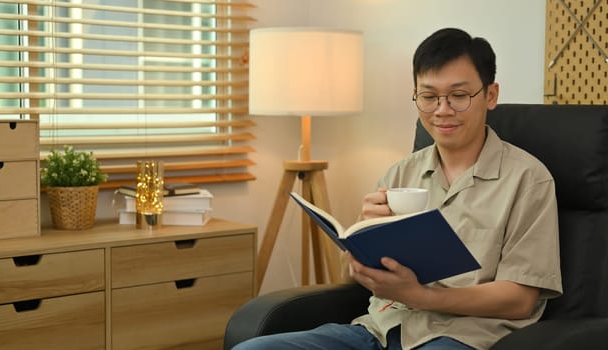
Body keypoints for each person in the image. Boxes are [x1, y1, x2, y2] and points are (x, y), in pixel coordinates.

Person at [233, 27, 562, 350]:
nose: (442, 110)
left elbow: (520, 300)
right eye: (429, 96)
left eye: (459, 96)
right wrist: (362, 241)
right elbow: (354, 279)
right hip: (379, 329)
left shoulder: (528, 180)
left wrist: (420, 296)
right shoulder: (401, 173)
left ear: (490, 95)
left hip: (465, 335)